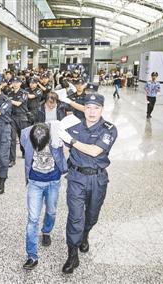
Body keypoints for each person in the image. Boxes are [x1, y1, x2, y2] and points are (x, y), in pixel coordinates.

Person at [57, 93, 117, 274]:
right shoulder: (73, 126)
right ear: (84, 109)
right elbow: (62, 147)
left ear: (102, 109)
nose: (91, 112)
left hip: (97, 179)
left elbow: (95, 151)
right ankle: (72, 254)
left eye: (96, 108)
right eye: (88, 107)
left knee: (91, 216)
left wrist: (72, 141)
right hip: (76, 178)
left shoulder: (109, 129)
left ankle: (85, 234)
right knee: (75, 216)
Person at [20, 122, 67, 270]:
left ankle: (46, 231)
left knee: (51, 211)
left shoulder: (57, 131)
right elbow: (25, 149)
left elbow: (70, 146)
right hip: (35, 181)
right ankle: (32, 256)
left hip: (53, 180)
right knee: (33, 218)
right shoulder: (25, 133)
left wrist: (61, 145)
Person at [8, 76, 29, 167]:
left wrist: (8, 99)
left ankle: (24, 152)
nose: (15, 84)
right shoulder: (10, 93)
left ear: (20, 83)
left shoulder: (24, 93)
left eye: (17, 82)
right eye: (14, 82)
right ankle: (12, 159)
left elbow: (18, 103)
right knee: (12, 139)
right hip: (12, 117)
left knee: (23, 137)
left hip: (22, 117)